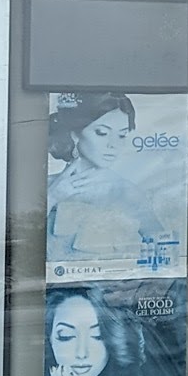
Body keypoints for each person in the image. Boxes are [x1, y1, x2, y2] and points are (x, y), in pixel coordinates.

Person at [46, 92, 167, 266]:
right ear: (75, 133)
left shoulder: (126, 192)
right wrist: (52, 197)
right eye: (102, 133)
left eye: (122, 135)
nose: (113, 145)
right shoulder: (49, 186)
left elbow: (164, 251)